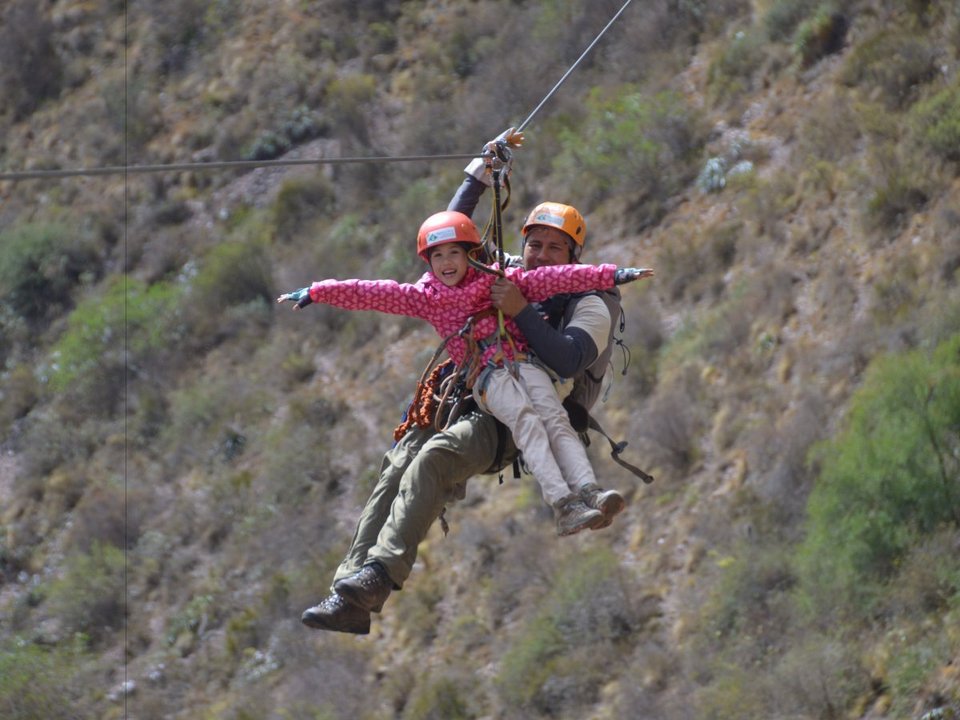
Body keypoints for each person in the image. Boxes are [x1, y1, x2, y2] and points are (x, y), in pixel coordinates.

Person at [290, 134, 648, 635]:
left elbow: (568, 359)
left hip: (525, 415)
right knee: (398, 465)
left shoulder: (592, 298)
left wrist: (519, 311)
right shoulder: (505, 271)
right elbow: (448, 241)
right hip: (475, 393)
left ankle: (379, 574)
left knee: (436, 458)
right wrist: (480, 171)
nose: (542, 256)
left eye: (555, 248)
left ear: (574, 253)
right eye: (534, 244)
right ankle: (349, 593)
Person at [277, 211, 651, 535]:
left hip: (524, 363)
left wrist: (616, 275)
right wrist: (318, 291)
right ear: (428, 262)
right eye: (437, 256)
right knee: (528, 422)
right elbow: (371, 292)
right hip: (488, 373)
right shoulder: (426, 297)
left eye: (454, 253)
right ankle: (563, 504)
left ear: (471, 255)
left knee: (554, 418)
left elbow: (560, 280)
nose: (447, 262)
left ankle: (588, 490)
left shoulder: (498, 279)